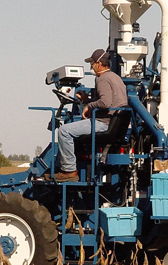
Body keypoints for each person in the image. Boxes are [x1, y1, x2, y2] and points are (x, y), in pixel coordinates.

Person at [54, 48, 128, 182]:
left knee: (64, 131)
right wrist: (87, 100)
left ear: (99, 64)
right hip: (112, 122)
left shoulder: (102, 79)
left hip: (103, 123)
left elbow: (105, 103)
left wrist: (89, 106)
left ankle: (69, 171)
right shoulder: (115, 78)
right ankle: (60, 167)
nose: (92, 67)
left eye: (92, 63)